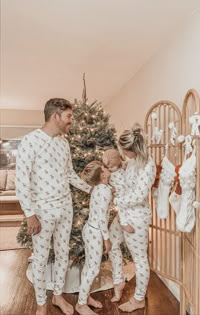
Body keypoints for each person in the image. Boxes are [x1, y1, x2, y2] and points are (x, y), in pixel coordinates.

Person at [15, 98, 92, 315]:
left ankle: (58, 295)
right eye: (68, 116)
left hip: (65, 207)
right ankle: (41, 303)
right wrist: (30, 214)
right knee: (39, 259)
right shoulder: (30, 141)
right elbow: (22, 181)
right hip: (41, 211)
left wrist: (90, 189)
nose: (71, 121)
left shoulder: (63, 143)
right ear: (55, 115)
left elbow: (69, 174)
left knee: (62, 254)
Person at [108, 124, 156, 312]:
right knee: (111, 242)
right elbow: (125, 184)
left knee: (140, 259)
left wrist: (117, 199)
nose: (123, 153)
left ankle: (138, 299)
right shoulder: (132, 162)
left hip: (137, 217)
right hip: (124, 213)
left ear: (133, 149)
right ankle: (118, 280)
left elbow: (138, 195)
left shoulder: (148, 165)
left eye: (125, 150)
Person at [75, 161, 112, 315]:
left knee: (89, 266)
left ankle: (86, 297)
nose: (107, 168)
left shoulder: (98, 188)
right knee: (93, 269)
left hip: (89, 229)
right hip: (96, 232)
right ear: (102, 175)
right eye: (105, 168)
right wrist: (106, 238)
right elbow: (102, 218)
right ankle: (81, 304)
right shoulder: (104, 191)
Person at [102, 148, 135, 233]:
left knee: (130, 207)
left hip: (127, 191)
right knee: (122, 208)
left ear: (118, 162)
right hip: (119, 194)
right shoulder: (109, 174)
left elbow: (127, 165)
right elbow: (105, 184)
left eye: (112, 167)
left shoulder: (122, 166)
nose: (110, 169)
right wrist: (111, 190)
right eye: (108, 167)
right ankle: (123, 222)